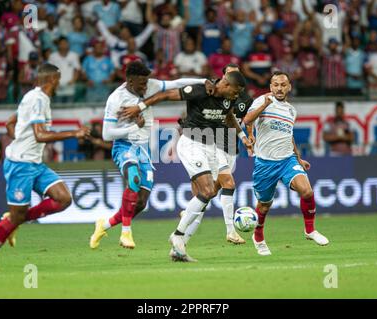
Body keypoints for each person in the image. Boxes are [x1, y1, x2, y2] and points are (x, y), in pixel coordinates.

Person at [118, 70, 253, 262]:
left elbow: (229, 117)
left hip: (210, 147)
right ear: (226, 84)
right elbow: (165, 94)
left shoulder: (228, 99)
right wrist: (139, 107)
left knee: (209, 194)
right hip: (191, 143)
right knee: (206, 191)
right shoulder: (200, 91)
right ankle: (178, 235)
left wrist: (243, 138)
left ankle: (178, 247)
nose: (238, 96)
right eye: (236, 91)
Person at [0, 63, 91, 272]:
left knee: (63, 199)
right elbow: (40, 135)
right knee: (18, 214)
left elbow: (10, 123)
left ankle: (14, 221)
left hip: (35, 163)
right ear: (52, 80)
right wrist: (74, 133)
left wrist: (21, 139)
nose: (59, 83)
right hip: (20, 165)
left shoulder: (34, 97)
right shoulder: (37, 99)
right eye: (58, 79)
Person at [89, 61, 210, 250]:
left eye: (146, 83)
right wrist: (133, 127)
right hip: (124, 146)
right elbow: (106, 134)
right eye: (141, 84)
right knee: (134, 179)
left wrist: (203, 81)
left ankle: (104, 225)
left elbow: (177, 83)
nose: (145, 87)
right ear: (129, 81)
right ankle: (126, 233)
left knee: (140, 203)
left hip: (144, 149)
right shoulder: (116, 99)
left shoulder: (150, 85)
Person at [243, 71, 329, 256]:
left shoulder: (291, 110)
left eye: (283, 85)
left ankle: (310, 230)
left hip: (287, 160)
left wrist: (298, 158)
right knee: (264, 205)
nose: (279, 88)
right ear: (270, 87)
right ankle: (258, 236)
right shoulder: (261, 101)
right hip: (265, 163)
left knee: (307, 190)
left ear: (289, 87)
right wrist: (264, 106)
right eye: (275, 85)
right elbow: (247, 120)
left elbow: (288, 136)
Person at [178, 63, 254, 249]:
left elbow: (241, 119)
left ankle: (182, 238)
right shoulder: (211, 90)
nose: (230, 76)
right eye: (227, 73)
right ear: (224, 78)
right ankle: (230, 231)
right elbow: (198, 106)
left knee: (207, 196)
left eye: (234, 73)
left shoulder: (244, 98)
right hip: (213, 143)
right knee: (227, 183)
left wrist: (246, 136)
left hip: (230, 146)